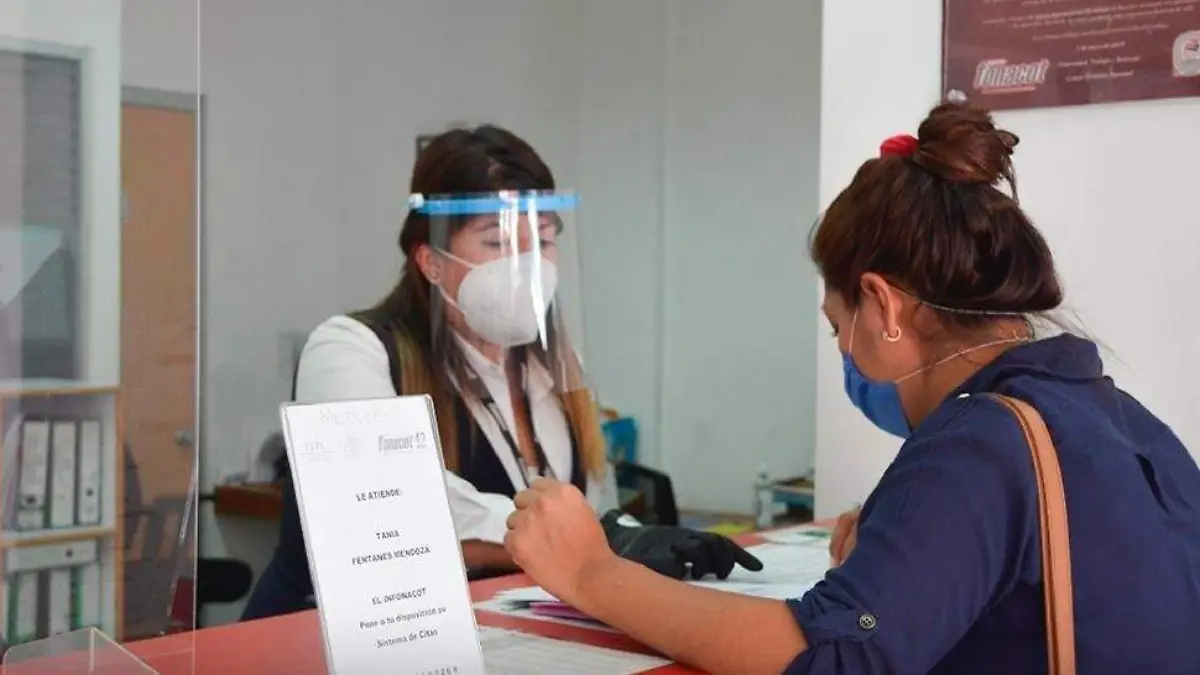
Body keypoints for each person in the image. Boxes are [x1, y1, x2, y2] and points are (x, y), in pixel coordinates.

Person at [502, 102, 1200, 674]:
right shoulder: (1122, 419)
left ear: (883, 303)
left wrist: (592, 573)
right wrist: (911, 550)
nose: (844, 349)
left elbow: (832, 656)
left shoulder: (980, 440)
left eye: (838, 324)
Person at [241, 125, 759, 621]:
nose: (529, 265)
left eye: (544, 241)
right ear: (431, 260)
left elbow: (595, 507)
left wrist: (633, 538)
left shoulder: (554, 366)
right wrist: (600, 542)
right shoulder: (350, 349)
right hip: (329, 640)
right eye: (498, 242)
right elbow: (392, 507)